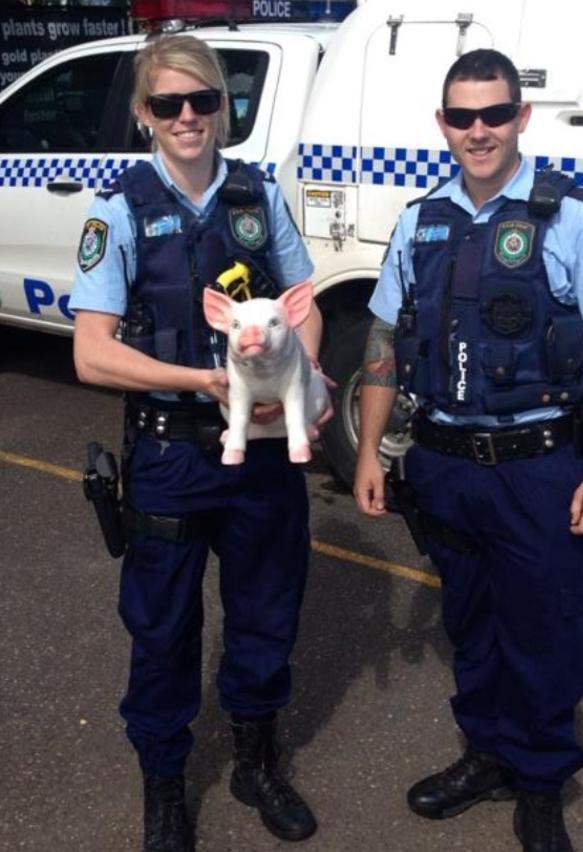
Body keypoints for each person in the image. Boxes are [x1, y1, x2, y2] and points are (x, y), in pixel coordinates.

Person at [354, 48, 583, 852]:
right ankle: (485, 753)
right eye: (461, 116)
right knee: (472, 619)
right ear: (442, 124)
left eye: (493, 114)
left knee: (549, 628)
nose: (477, 131)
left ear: (521, 117)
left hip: (539, 464)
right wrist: (372, 450)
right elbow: (384, 334)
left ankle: (541, 779)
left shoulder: (577, 216)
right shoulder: (421, 220)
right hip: (443, 464)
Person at [70, 34, 330, 851]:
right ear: (146, 115)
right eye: (169, 104)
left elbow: (301, 304)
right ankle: (165, 788)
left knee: (265, 615)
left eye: (203, 101)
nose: (188, 118)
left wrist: (307, 380)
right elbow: (92, 352)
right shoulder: (118, 209)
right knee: (163, 631)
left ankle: (256, 761)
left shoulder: (259, 195)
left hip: (257, 457)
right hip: (172, 457)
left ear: (224, 107)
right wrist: (205, 384)